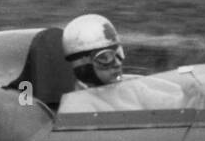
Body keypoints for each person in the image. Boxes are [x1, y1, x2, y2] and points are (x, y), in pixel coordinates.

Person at [58, 14, 196, 113]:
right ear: (83, 65)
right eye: (106, 57)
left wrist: (191, 95)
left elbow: (173, 106)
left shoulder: (131, 86)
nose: (117, 63)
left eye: (118, 52)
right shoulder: (76, 108)